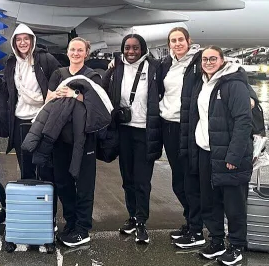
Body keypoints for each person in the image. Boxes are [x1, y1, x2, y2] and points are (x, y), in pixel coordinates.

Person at [182, 46, 253, 266]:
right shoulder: (203, 83)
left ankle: (237, 246)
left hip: (228, 154)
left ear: (222, 60)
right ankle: (216, 241)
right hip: (205, 151)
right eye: (205, 59)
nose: (209, 62)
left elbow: (243, 122)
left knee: (234, 204)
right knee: (210, 201)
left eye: (213, 58)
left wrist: (234, 156)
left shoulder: (234, 84)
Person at [102, 34, 162, 244]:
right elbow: (102, 89)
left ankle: (142, 222)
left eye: (135, 48)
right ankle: (133, 216)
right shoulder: (116, 67)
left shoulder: (154, 68)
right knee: (127, 178)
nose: (131, 52)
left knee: (142, 180)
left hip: (145, 131)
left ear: (142, 49)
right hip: (124, 131)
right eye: (127, 48)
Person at [46, 37, 103, 248]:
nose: (76, 53)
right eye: (73, 50)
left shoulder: (92, 76)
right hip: (61, 137)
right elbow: (47, 101)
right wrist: (57, 96)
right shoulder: (58, 74)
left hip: (85, 139)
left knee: (85, 184)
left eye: (80, 50)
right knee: (63, 182)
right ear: (68, 52)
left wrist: (75, 95)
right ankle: (71, 222)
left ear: (86, 53)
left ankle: (83, 228)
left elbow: (98, 104)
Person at [0, 24, 60, 179]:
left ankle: (47, 201)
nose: (22, 43)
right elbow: (8, 91)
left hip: (42, 119)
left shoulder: (45, 59)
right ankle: (29, 200)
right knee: (25, 167)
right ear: (14, 43)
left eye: (26, 39)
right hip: (19, 121)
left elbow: (60, 78)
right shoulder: (12, 63)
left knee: (45, 167)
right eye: (18, 40)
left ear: (32, 40)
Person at [158, 27, 205, 247]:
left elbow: (227, 73)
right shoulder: (167, 64)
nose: (177, 44)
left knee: (189, 180)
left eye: (180, 40)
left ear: (188, 41)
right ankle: (191, 220)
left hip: (187, 127)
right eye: (173, 41)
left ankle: (196, 230)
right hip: (169, 127)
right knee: (178, 181)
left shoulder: (198, 61)